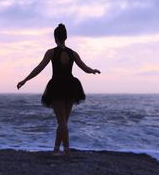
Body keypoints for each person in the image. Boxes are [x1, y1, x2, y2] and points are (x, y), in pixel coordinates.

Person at [17, 23, 100, 156]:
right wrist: (93, 71)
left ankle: (66, 150)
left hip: (57, 87)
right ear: (65, 37)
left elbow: (39, 68)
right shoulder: (73, 53)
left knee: (62, 122)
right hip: (71, 86)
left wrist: (25, 80)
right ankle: (56, 149)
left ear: (55, 38)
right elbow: (84, 67)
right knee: (63, 122)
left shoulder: (51, 52)